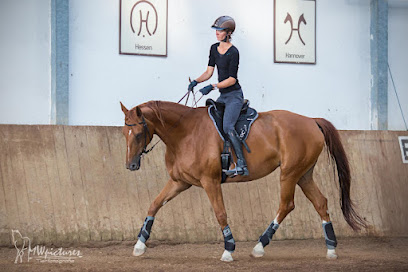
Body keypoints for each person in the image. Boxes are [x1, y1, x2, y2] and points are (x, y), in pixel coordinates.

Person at [188, 16, 249, 177]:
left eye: (220, 31)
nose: (217, 33)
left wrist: (213, 86)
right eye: (216, 30)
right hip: (223, 96)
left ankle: (242, 164)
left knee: (228, 126)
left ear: (228, 33)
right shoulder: (214, 48)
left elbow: (232, 79)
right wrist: (196, 81)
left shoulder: (233, 52)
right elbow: (209, 72)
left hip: (234, 95)